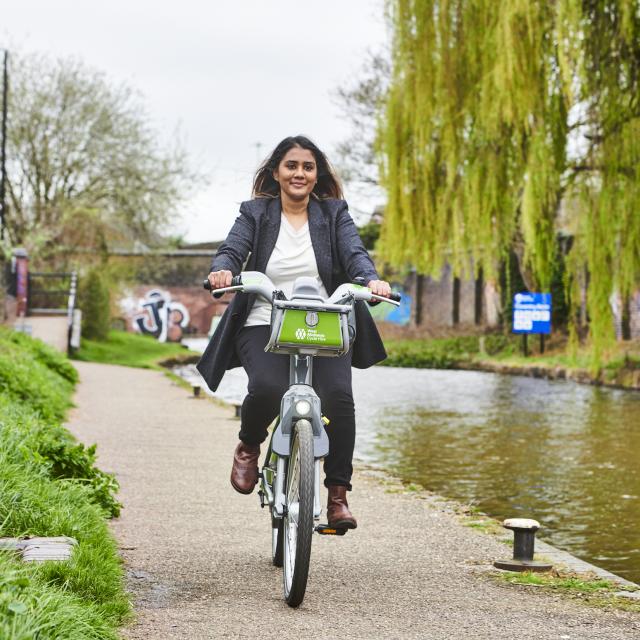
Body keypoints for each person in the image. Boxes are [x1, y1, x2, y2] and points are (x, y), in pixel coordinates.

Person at [196, 135, 391, 529]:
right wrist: (223, 269)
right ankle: (250, 444)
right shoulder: (256, 213)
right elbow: (233, 249)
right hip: (265, 319)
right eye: (291, 166)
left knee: (338, 398)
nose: (299, 173)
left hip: (324, 322)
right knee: (267, 386)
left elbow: (355, 253)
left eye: (307, 167)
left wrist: (370, 280)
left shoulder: (334, 213)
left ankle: (337, 495)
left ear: (317, 175)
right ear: (276, 172)